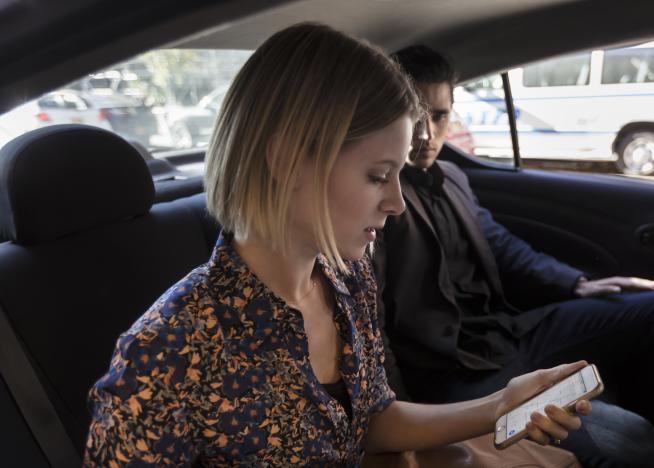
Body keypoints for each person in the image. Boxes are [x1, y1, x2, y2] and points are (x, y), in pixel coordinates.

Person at [83, 23, 592, 466]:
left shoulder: (346, 279)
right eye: (377, 176)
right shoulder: (165, 354)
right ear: (286, 160)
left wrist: (500, 404)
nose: (396, 202)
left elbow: (372, 419)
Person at [375, 45, 654, 467]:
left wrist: (578, 283)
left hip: (510, 332)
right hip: (457, 371)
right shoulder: (379, 198)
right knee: (630, 440)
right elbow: (372, 319)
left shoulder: (453, 177)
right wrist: (405, 414)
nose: (426, 134)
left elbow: (501, 244)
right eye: (416, 117)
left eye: (440, 116)